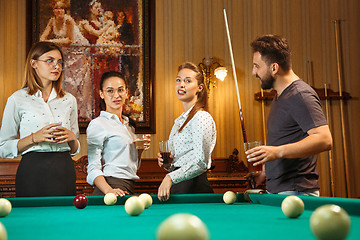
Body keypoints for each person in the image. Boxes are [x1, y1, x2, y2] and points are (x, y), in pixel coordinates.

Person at [246, 35, 333, 196]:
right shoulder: (280, 95)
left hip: (296, 192)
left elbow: (324, 139)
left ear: (274, 68)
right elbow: (286, 138)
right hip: (281, 190)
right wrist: (266, 172)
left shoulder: (300, 94)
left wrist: (276, 152)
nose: (253, 72)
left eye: (257, 66)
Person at [0, 41, 80, 197]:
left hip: (65, 171)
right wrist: (34, 138)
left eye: (59, 62)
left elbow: (74, 149)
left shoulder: (70, 100)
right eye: (50, 60)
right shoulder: (17, 99)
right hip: (32, 171)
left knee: (65, 220)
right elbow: (3, 147)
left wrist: (72, 139)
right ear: (34, 63)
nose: (56, 66)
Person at [157, 62, 217, 201]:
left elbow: (201, 162)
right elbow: (182, 159)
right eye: (178, 80)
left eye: (187, 81)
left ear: (199, 88)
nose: (181, 84)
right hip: (180, 184)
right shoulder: (180, 120)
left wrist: (169, 177)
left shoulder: (201, 117)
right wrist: (168, 164)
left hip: (194, 186)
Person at [86, 71, 151, 196]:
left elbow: (131, 167)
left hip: (128, 185)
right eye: (110, 91)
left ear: (126, 92)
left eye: (120, 90)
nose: (116, 95)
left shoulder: (129, 125)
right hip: (111, 186)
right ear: (101, 94)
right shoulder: (97, 124)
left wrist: (140, 150)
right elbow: (93, 167)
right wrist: (108, 190)